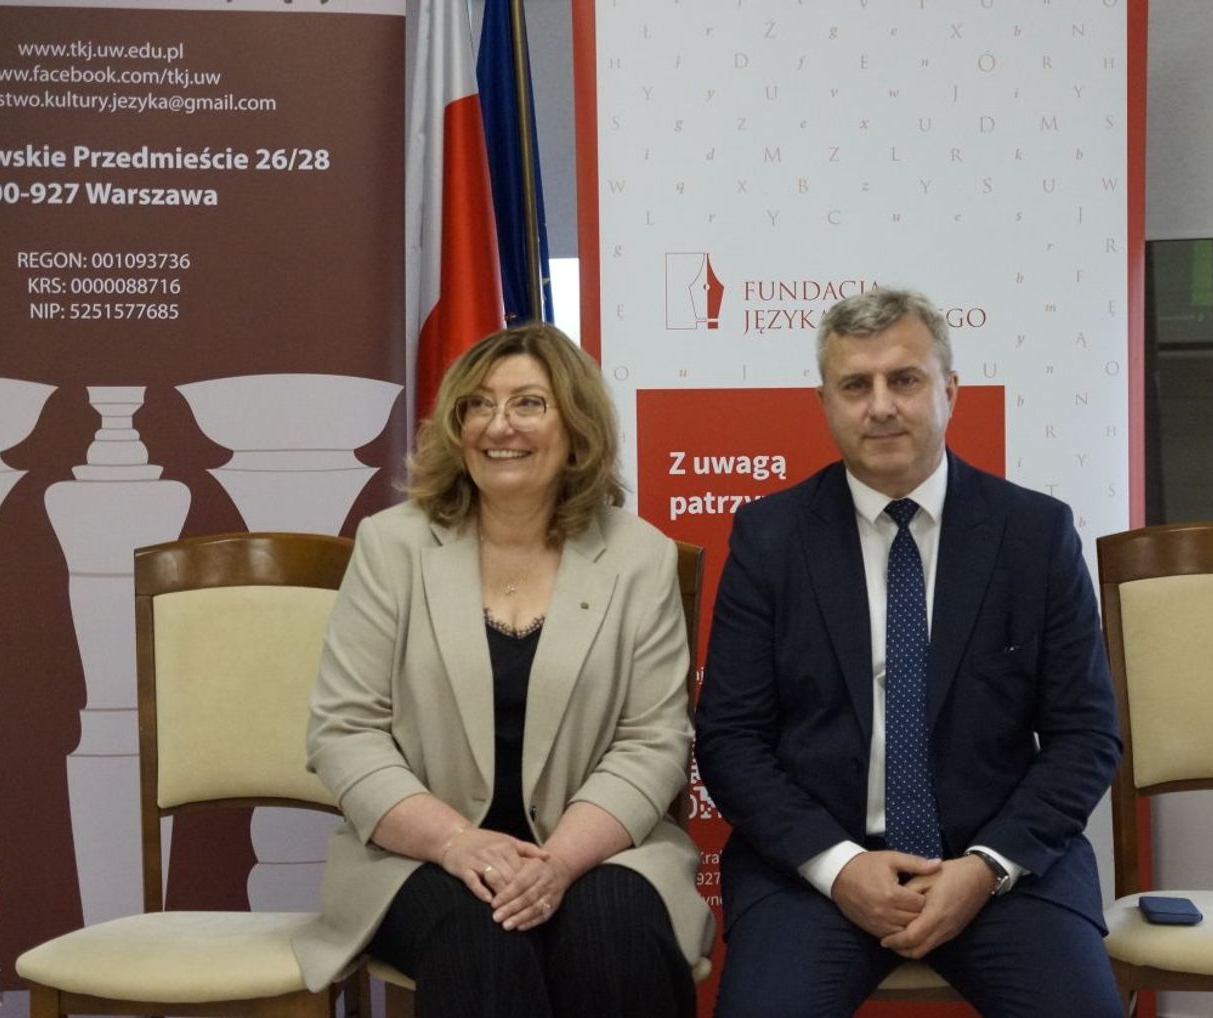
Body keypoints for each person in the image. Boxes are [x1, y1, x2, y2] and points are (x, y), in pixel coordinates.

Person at [695, 288, 1122, 1017]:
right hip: (816, 873)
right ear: (825, 403)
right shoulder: (770, 539)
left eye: (905, 380)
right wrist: (840, 867)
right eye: (855, 386)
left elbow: (1086, 736)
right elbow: (730, 739)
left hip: (1001, 872)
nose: (881, 406)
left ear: (950, 391)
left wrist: (985, 868)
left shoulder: (1035, 535)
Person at [291, 323, 713, 1017]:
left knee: (613, 931)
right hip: (420, 854)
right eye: (477, 406)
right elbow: (345, 731)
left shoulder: (639, 556)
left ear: (576, 427)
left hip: (600, 850)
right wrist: (456, 841)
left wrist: (559, 862)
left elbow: (653, 741)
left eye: (528, 404)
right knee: (479, 935)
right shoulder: (392, 546)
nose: (498, 425)